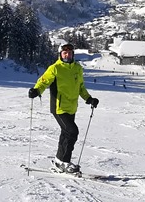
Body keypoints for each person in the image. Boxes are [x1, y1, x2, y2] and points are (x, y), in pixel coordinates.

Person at [29, 43, 99, 174]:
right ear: (60, 54)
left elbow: (81, 87)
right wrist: (36, 90)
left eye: (69, 53)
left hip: (71, 107)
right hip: (58, 107)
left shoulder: (77, 68)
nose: (67, 55)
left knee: (66, 134)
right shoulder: (55, 68)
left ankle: (58, 160)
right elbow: (44, 81)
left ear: (73, 54)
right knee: (72, 132)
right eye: (64, 53)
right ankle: (65, 162)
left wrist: (89, 99)